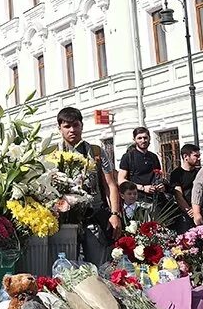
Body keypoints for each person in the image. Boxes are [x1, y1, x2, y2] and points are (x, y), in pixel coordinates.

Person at [57, 107, 121, 265]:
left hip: (94, 219)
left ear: (82, 126)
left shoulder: (96, 152)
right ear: (59, 128)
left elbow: (110, 185)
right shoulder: (52, 154)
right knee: (66, 270)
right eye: (67, 126)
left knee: (98, 268)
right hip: (65, 223)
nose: (72, 130)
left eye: (75, 125)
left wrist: (115, 214)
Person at [118, 127, 165, 201]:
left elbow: (157, 176)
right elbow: (121, 180)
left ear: (149, 138)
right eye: (139, 138)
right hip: (137, 200)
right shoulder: (128, 157)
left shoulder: (153, 156)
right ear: (134, 140)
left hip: (156, 199)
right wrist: (142, 188)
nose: (143, 140)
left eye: (145, 138)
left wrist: (160, 186)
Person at [170, 144, 201, 232]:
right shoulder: (176, 173)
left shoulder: (200, 172)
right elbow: (178, 195)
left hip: (199, 210)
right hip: (186, 213)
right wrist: (188, 210)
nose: (198, 158)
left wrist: (197, 210)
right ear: (185, 156)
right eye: (196, 156)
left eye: (199, 156)